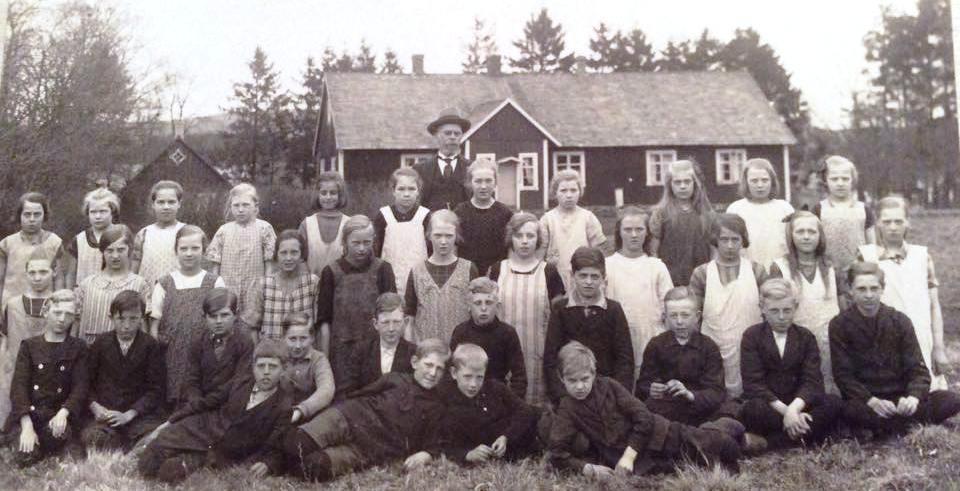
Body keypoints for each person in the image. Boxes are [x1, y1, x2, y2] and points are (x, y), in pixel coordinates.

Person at [547, 341, 741, 480]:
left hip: (660, 434)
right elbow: (556, 453)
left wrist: (628, 457)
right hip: (641, 461)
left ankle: (726, 425)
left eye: (584, 379)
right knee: (698, 465)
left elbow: (644, 418)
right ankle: (715, 430)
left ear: (593, 374)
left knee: (728, 447)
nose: (579, 386)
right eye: (572, 381)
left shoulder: (609, 386)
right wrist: (588, 469)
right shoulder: (567, 408)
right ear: (561, 379)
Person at [282, 339, 449, 482]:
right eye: (428, 365)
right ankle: (272, 459)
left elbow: (434, 444)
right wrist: (333, 414)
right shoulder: (395, 379)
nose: (433, 372)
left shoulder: (436, 407)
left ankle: (291, 463)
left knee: (314, 468)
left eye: (439, 368)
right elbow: (359, 394)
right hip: (350, 417)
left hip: (367, 449)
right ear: (414, 362)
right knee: (296, 444)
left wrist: (425, 454)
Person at [829, 262, 960, 439]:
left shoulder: (899, 320)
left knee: (950, 399)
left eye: (874, 288)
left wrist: (913, 398)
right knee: (843, 408)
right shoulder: (839, 325)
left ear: (882, 289)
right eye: (861, 289)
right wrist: (872, 401)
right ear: (850, 290)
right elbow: (843, 377)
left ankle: (887, 428)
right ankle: (904, 426)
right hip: (868, 402)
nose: (869, 295)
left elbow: (918, 370)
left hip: (901, 400)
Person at [138, 340, 293, 484]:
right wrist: (170, 421)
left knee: (170, 472)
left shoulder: (283, 406)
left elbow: (276, 445)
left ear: (283, 370)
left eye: (272, 367)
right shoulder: (242, 381)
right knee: (148, 461)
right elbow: (208, 402)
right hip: (205, 430)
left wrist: (267, 464)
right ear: (253, 367)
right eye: (261, 366)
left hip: (227, 452)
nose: (266, 372)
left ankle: (185, 461)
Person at [739, 279, 842, 450]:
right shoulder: (752, 336)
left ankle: (768, 443)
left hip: (799, 403)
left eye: (787, 310)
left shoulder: (805, 336)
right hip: (771, 406)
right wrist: (787, 413)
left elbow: (812, 381)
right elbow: (753, 383)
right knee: (752, 409)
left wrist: (794, 410)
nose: (781, 317)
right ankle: (808, 437)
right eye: (774, 311)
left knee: (834, 403)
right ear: (762, 309)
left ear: (795, 307)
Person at [859, 196, 948, 391]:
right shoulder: (867, 257)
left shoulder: (922, 256)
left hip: (920, 335)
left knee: (931, 393)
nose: (893, 227)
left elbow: (934, 305)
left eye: (898, 221)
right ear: (878, 223)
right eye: (887, 221)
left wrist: (939, 348)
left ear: (908, 222)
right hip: (882, 337)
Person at [488, 212, 565, 407]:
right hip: (501, 353)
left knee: (534, 409)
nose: (524, 241)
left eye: (530, 236)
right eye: (519, 235)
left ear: (538, 239)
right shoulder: (497, 270)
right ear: (510, 238)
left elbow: (559, 321)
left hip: (538, 355)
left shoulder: (549, 272)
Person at [315, 215, 396, 398]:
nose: (361, 248)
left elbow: (391, 315)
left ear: (374, 241)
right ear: (345, 242)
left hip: (374, 351)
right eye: (356, 242)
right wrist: (325, 361)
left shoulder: (383, 269)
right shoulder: (331, 272)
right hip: (341, 353)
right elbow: (324, 321)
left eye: (367, 242)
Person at [7, 290, 88, 468]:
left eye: (68, 314)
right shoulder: (29, 346)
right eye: (57, 312)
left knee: (69, 451)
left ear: (74, 318)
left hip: (57, 417)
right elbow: (18, 388)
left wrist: (64, 412)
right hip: (30, 416)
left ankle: (56, 446)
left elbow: (80, 387)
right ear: (45, 312)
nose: (62, 319)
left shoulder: (79, 348)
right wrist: (26, 426)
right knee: (25, 457)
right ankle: (31, 444)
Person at [543, 247, 633, 405]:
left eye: (595, 276)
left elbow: (624, 359)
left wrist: (616, 396)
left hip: (606, 397)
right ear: (572, 276)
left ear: (603, 278)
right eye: (583, 276)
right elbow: (551, 358)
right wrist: (561, 397)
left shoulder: (613, 310)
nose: (589, 282)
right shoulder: (561, 309)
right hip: (570, 395)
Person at [689, 213, 765, 398]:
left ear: (743, 240)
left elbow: (768, 310)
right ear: (715, 240)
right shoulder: (702, 273)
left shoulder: (757, 270)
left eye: (735, 239)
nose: (730, 246)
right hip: (714, 344)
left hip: (749, 346)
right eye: (724, 240)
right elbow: (693, 315)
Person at [149, 225, 226, 406]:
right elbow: (154, 325)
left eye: (195, 248)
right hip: (171, 354)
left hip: (205, 352)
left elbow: (222, 319)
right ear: (176, 251)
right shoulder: (164, 283)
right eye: (183, 249)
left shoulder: (215, 282)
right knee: (171, 401)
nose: (189, 253)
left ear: (204, 250)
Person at [768, 211, 842, 394]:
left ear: (820, 235)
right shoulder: (780, 267)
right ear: (791, 235)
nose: (806, 237)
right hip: (796, 341)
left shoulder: (831, 265)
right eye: (800, 232)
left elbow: (843, 304)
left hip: (828, 340)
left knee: (829, 388)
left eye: (812, 231)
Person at [82, 290, 166, 451]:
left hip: (137, 415)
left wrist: (130, 414)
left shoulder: (150, 346)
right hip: (106, 413)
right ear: (111, 318)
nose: (127, 325)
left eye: (133, 319)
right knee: (94, 438)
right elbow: (85, 382)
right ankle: (115, 444)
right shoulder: (101, 343)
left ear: (142, 319)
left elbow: (156, 389)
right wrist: (95, 407)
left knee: (154, 438)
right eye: (121, 319)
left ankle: (131, 445)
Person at [435, 344, 541, 466]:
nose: (473, 384)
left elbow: (524, 410)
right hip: (483, 454)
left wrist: (506, 437)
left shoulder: (495, 388)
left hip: (516, 444)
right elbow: (441, 442)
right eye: (467, 377)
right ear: (454, 373)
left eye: (479, 377)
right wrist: (467, 454)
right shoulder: (445, 399)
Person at [635, 287, 726, 427]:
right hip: (666, 408)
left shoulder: (708, 347)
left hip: (698, 410)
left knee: (727, 415)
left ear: (697, 316)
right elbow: (643, 385)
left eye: (685, 315)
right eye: (673, 315)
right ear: (665, 317)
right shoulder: (656, 345)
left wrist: (690, 394)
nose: (679, 321)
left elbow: (717, 392)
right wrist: (651, 389)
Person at [605, 206, 673, 378]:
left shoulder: (656, 266)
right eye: (628, 230)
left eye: (639, 229)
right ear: (619, 232)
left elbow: (669, 306)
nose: (634, 235)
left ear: (647, 232)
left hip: (651, 336)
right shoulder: (607, 265)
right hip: (617, 339)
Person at [405, 210, 478, 344]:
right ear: (429, 236)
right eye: (438, 235)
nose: (443, 241)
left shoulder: (469, 269)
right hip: (427, 352)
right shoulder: (416, 271)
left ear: (456, 237)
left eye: (449, 236)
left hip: (460, 350)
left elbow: (477, 312)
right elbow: (409, 317)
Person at [0, 250, 55, 428]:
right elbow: (5, 341)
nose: (37, 277)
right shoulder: (12, 305)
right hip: (17, 374)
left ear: (53, 272)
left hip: (51, 378)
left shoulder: (60, 305)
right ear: (26, 274)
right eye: (32, 272)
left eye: (43, 272)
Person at [178, 288, 255, 413]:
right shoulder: (198, 342)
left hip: (229, 406)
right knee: (170, 431)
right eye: (213, 316)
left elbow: (239, 381)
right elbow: (191, 379)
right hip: (198, 407)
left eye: (224, 315)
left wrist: (206, 403)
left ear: (236, 315)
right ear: (205, 317)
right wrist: (195, 400)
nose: (219, 321)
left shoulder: (244, 343)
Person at [450, 277, 526, 399]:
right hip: (465, 397)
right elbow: (452, 370)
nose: (484, 308)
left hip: (497, 398)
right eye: (478, 303)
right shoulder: (460, 332)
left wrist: (510, 403)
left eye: (489, 303)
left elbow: (519, 376)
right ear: (469, 306)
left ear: (497, 306)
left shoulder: (507, 333)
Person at [74, 225, 151, 344]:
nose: (115, 256)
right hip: (90, 352)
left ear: (129, 250)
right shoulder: (87, 284)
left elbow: (144, 326)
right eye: (109, 250)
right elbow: (76, 324)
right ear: (102, 251)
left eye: (121, 250)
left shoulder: (140, 284)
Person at [207, 183, 277, 313]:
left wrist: (267, 286)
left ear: (255, 207)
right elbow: (215, 264)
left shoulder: (264, 228)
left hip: (254, 287)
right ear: (230, 207)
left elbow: (269, 263)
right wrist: (216, 288)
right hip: (228, 286)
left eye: (245, 205)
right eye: (236, 205)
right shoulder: (224, 230)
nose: (240, 209)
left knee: (252, 322)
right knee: (229, 319)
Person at [241, 230, 320, 342]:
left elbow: (318, 325)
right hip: (271, 354)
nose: (288, 258)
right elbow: (253, 327)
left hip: (302, 351)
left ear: (302, 255)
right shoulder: (264, 284)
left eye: (294, 252)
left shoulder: (312, 283)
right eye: (283, 253)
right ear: (276, 255)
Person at [649, 160, 714, 286]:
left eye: (687, 182)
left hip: (701, 276)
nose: (682, 186)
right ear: (670, 185)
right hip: (670, 277)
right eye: (677, 182)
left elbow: (713, 248)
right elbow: (653, 251)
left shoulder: (706, 212)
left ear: (695, 184)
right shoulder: (661, 213)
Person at [539, 170, 606, 291]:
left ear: (580, 192)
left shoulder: (588, 218)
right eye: (563, 190)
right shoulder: (547, 219)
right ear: (555, 193)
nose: (569, 195)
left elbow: (599, 253)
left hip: (584, 278)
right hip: (555, 277)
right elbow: (539, 254)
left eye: (573, 190)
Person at [813, 156, 876, 277]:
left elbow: (871, 246)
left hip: (858, 272)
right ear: (826, 180)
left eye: (845, 179)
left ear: (853, 180)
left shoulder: (864, 210)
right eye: (834, 179)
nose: (840, 183)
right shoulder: (818, 209)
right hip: (827, 272)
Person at [726, 158, 794, 268]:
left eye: (765, 180)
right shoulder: (735, 209)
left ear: (772, 181)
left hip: (779, 272)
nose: (760, 185)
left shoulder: (785, 208)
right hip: (746, 271)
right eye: (754, 181)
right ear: (746, 182)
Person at [373, 167, 430, 297]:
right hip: (390, 280)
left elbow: (431, 251)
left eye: (411, 189)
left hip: (420, 280)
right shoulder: (383, 215)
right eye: (401, 189)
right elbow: (376, 250)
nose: (406, 194)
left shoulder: (425, 216)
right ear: (393, 191)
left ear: (418, 191)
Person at [0, 191, 63, 307]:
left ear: (45, 215)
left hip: (44, 306)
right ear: (20, 215)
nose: (32, 219)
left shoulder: (54, 242)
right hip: (12, 306)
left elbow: (58, 278)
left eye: (37, 214)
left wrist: (58, 303)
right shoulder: (7, 244)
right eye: (27, 214)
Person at [453, 159, 514, 276]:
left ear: (495, 182)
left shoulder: (505, 214)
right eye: (478, 181)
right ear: (470, 183)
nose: (483, 186)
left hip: (497, 276)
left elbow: (511, 250)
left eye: (488, 181)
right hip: (466, 275)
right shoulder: (459, 212)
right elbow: (454, 249)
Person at [280, 312, 335, 426]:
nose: (298, 345)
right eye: (293, 339)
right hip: (280, 417)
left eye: (303, 338)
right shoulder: (277, 356)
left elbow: (326, 390)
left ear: (312, 338)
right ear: (284, 337)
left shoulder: (319, 359)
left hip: (311, 420)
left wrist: (301, 410)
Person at [131, 180, 187, 290]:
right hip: (147, 294)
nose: (166, 207)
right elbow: (135, 267)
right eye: (161, 202)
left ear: (179, 203)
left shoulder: (186, 231)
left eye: (171, 202)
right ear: (153, 204)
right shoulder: (144, 233)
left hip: (177, 292)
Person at [353, 292, 415, 392]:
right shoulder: (361, 351)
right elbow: (348, 392)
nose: (391, 328)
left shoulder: (414, 354)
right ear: (376, 324)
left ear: (406, 322)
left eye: (396, 322)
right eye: (385, 322)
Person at [412, 108, 472, 211]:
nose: (453, 137)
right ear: (436, 135)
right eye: (448, 133)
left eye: (457, 134)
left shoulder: (471, 168)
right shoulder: (419, 169)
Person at [65, 188, 120, 288]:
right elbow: (71, 274)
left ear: (112, 211)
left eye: (103, 211)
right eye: (93, 212)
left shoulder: (122, 237)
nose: (98, 216)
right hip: (84, 295)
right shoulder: (79, 240)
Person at [299, 171, 351, 277]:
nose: (328, 197)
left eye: (333, 193)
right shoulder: (307, 224)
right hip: (311, 287)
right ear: (317, 195)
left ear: (340, 195)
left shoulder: (349, 224)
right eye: (323, 193)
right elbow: (300, 258)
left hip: (341, 287)